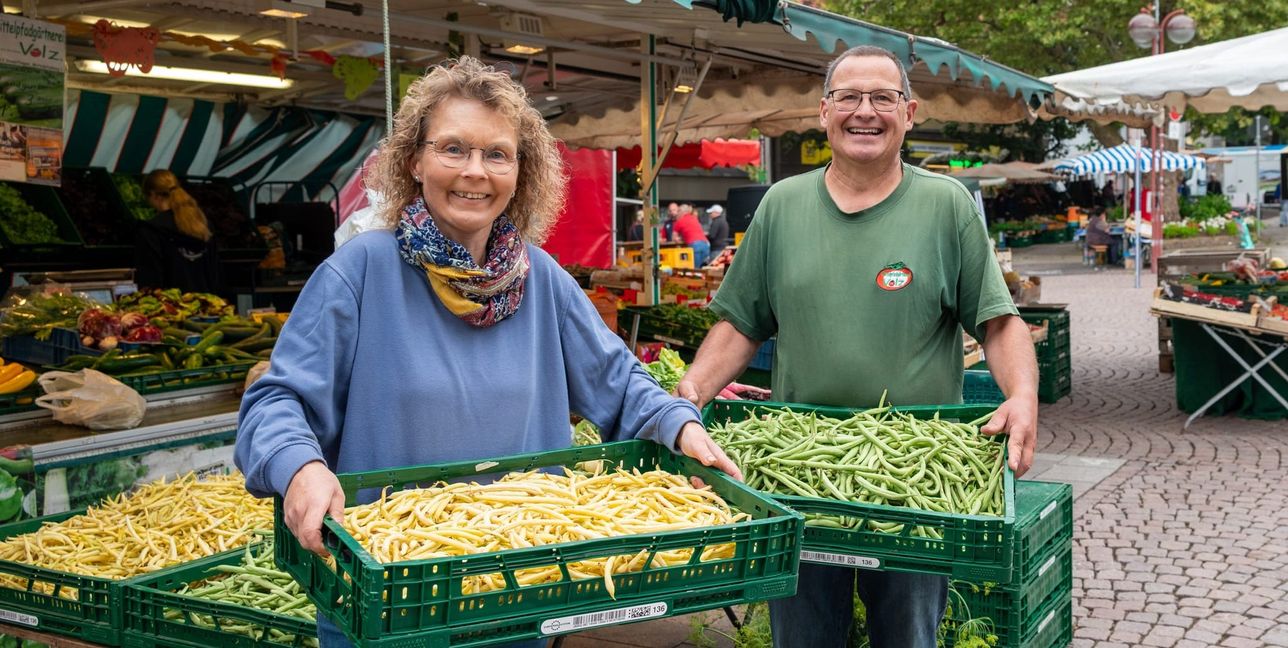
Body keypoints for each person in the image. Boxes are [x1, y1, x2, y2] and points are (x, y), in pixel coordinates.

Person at [234, 57, 739, 648]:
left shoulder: (542, 280)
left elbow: (620, 384)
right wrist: (301, 469)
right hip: (389, 601)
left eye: (497, 154)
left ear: (521, 173)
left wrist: (680, 426)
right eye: (453, 149)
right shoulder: (359, 272)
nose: (475, 171)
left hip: (516, 596)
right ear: (414, 161)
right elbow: (275, 403)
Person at [675, 45, 1038, 648]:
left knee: (908, 636)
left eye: (883, 98)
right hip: (797, 473)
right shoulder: (781, 205)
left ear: (909, 113)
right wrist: (688, 394)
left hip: (916, 480)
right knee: (804, 637)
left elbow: (999, 322)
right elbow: (741, 324)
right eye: (848, 97)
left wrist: (1022, 394)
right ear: (824, 112)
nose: (864, 111)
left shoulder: (946, 205)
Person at [135, 170, 219, 292]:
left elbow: (150, 279)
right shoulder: (204, 226)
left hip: (170, 302)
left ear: (153, 195)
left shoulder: (151, 230)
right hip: (207, 301)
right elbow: (215, 274)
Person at [671, 202, 711, 267]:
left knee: (695, 269)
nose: (677, 214)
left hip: (695, 245)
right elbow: (692, 231)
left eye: (678, 211)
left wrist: (678, 239)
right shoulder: (694, 218)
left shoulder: (679, 221)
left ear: (682, 212)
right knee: (704, 269)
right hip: (705, 245)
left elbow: (674, 238)